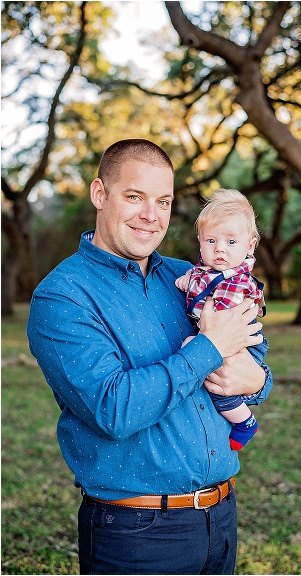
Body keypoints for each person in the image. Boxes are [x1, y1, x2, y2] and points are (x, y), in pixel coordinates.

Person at [27, 139, 273, 574]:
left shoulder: (189, 278)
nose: (151, 215)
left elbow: (253, 356)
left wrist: (256, 383)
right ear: (100, 194)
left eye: (163, 201)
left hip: (221, 515)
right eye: (134, 197)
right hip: (136, 532)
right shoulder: (62, 297)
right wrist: (209, 349)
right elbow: (113, 409)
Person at [175, 188, 269, 451]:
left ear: (249, 246)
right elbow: (197, 279)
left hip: (242, 341)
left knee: (220, 387)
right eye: (211, 241)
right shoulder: (203, 271)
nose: (219, 250)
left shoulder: (238, 278)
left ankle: (245, 421)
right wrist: (187, 281)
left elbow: (226, 314)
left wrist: (201, 340)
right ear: (200, 242)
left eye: (231, 242)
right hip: (220, 337)